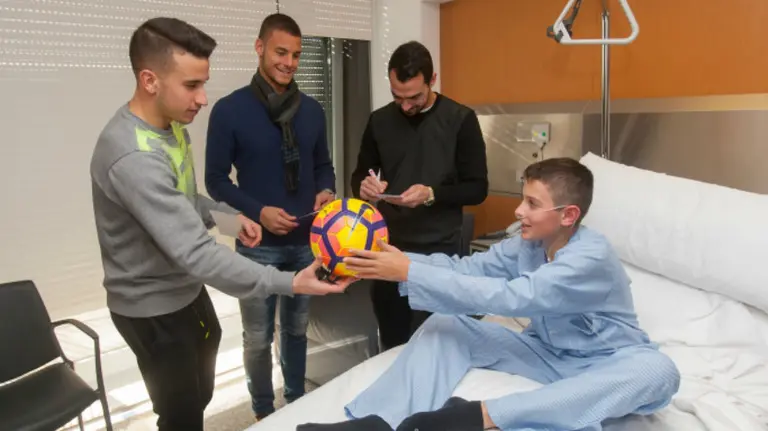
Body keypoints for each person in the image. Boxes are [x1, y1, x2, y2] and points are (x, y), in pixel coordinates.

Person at [90, 17, 350, 431]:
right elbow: (195, 251)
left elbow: (185, 198)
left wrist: (228, 220)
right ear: (150, 80)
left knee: (201, 393)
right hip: (151, 305)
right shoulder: (132, 156)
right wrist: (290, 281)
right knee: (182, 416)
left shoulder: (171, 129)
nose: (203, 98)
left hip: (184, 291)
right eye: (191, 86)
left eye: (203, 83)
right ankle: (259, 408)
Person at [300, 158, 681, 431]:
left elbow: (513, 298)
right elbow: (467, 270)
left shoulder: (590, 257)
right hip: (545, 353)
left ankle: (477, 416)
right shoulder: (526, 245)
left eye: (532, 204)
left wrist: (410, 271)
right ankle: (380, 422)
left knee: (659, 371)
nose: (519, 210)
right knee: (447, 324)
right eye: (522, 198)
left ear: (568, 215)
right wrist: (395, 260)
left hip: (605, 362)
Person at [204, 13, 336, 421]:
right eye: (281, 52)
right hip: (257, 247)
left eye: (296, 54)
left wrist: (326, 190)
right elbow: (214, 181)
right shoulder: (229, 111)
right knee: (258, 338)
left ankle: (296, 403)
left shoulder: (312, 111)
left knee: (296, 332)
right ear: (259, 48)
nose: (290, 62)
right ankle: (264, 413)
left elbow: (324, 166)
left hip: (305, 244)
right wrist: (258, 211)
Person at [350, 40, 488, 351]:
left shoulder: (460, 120)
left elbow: (478, 188)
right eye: (397, 97)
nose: (405, 106)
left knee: (437, 344)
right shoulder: (380, 121)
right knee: (394, 342)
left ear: (432, 80)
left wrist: (431, 194)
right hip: (387, 247)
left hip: (439, 252)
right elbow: (360, 174)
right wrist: (365, 188)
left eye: (414, 97)